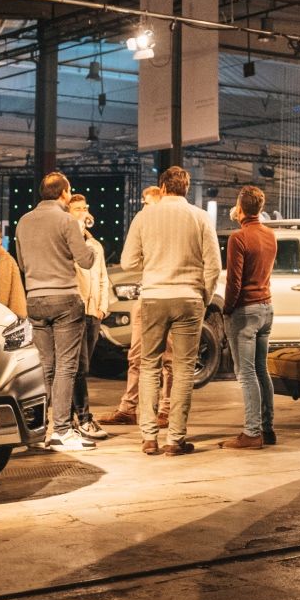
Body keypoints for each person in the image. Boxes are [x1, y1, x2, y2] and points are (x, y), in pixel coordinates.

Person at [120, 166, 220, 456]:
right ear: (186, 189)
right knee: (183, 369)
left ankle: (149, 438)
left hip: (153, 297)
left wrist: (152, 266)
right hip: (189, 298)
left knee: (149, 365)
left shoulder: (144, 216)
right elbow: (214, 265)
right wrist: (204, 295)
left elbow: (128, 262)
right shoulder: (200, 217)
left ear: (162, 188)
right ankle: (175, 440)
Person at [15, 172, 96, 451]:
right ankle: (62, 430)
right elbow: (86, 261)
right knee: (66, 367)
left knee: (45, 368)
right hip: (64, 300)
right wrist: (85, 236)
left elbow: (23, 265)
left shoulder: (23, 221)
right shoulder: (67, 221)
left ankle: (39, 432)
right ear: (64, 193)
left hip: (35, 299)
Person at [99, 186, 174, 429]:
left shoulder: (170, 229)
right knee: (136, 356)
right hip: (147, 294)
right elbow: (130, 261)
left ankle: (165, 409)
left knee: (168, 358)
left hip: (168, 295)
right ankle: (128, 408)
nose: (144, 208)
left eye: (148, 203)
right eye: (143, 203)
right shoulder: (145, 225)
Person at [219, 185, 277, 450]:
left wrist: (227, 309)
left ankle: (251, 433)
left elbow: (234, 281)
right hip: (266, 308)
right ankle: (267, 429)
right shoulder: (270, 235)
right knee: (261, 370)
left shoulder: (238, 238)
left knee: (245, 373)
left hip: (246, 311)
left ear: (240, 208)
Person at [68, 194, 110, 442]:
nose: (83, 212)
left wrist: (102, 307)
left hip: (93, 313)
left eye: (85, 208)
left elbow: (103, 277)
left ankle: (76, 416)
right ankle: (82, 417)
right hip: (75, 311)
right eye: (77, 209)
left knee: (82, 367)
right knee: (78, 367)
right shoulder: (69, 244)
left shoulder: (95, 245)